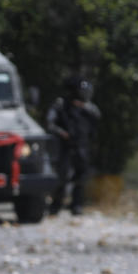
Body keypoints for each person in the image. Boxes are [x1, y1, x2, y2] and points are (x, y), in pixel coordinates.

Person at [46, 76, 101, 216]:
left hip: (82, 146)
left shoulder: (90, 109)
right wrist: (62, 133)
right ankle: (56, 205)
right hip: (65, 146)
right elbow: (50, 124)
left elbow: (95, 125)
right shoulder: (61, 105)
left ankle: (76, 205)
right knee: (62, 177)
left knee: (81, 177)